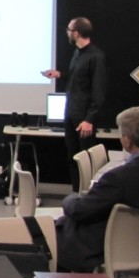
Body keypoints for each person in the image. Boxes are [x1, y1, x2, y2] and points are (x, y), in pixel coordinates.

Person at [55, 106, 139, 272]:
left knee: (51, 231)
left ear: (127, 141)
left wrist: (69, 198)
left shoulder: (118, 179)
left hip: (109, 248)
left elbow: (80, 210)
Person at [43, 17, 108, 191]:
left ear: (76, 33)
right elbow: (77, 80)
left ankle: (88, 195)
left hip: (84, 118)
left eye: (69, 30)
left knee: (85, 159)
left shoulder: (96, 57)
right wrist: (60, 75)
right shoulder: (77, 53)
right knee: (72, 156)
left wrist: (89, 119)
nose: (67, 33)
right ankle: (76, 193)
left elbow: (98, 91)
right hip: (71, 113)